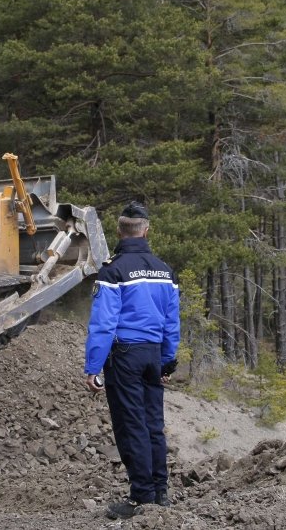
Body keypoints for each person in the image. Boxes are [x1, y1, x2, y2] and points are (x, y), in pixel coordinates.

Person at [84, 201, 181, 520]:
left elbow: (103, 324)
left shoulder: (113, 270)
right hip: (154, 354)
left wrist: (93, 367)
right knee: (154, 423)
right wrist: (167, 361)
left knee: (131, 425)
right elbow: (172, 322)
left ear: (119, 231)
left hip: (125, 356)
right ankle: (160, 492)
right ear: (146, 230)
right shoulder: (164, 271)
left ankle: (141, 496)